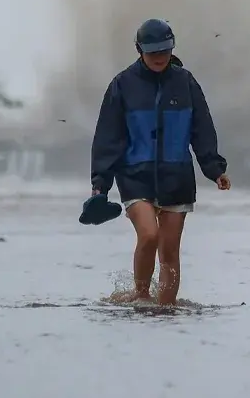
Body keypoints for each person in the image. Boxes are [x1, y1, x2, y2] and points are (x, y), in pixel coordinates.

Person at [90, 18, 230, 306]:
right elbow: (108, 138)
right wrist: (100, 184)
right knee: (149, 236)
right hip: (135, 175)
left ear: (172, 48)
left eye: (164, 51)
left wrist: (215, 170)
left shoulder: (186, 82)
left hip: (177, 177)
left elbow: (202, 129)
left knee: (170, 250)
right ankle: (141, 298)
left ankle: (166, 308)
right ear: (139, 50)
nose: (159, 57)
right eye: (152, 52)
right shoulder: (122, 84)